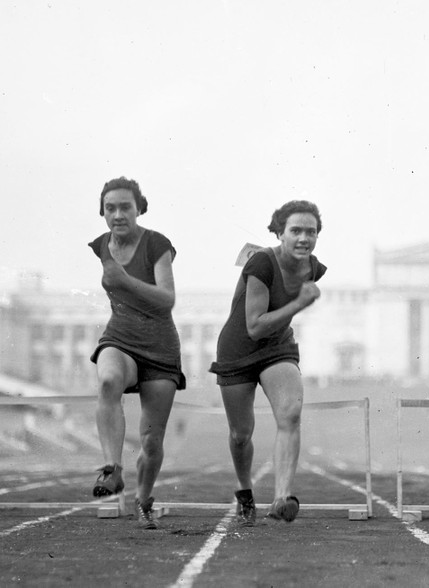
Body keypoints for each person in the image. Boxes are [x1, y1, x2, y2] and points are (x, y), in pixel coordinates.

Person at [210, 200, 326, 526]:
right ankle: (245, 490)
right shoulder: (261, 263)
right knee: (240, 434)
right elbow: (254, 325)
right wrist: (301, 304)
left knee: (290, 412)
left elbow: (273, 325)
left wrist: (296, 306)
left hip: (277, 346)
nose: (304, 238)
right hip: (238, 348)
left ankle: (282, 497)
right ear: (280, 232)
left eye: (311, 231)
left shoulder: (313, 268)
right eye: (296, 231)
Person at [88, 176, 186, 530]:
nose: (118, 214)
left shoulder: (156, 243)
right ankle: (112, 469)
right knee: (108, 381)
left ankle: (144, 499)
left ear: (138, 208)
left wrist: (124, 279)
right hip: (120, 336)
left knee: (151, 439)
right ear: (102, 211)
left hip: (159, 345)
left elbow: (167, 299)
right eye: (110, 208)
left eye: (125, 207)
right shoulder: (101, 245)